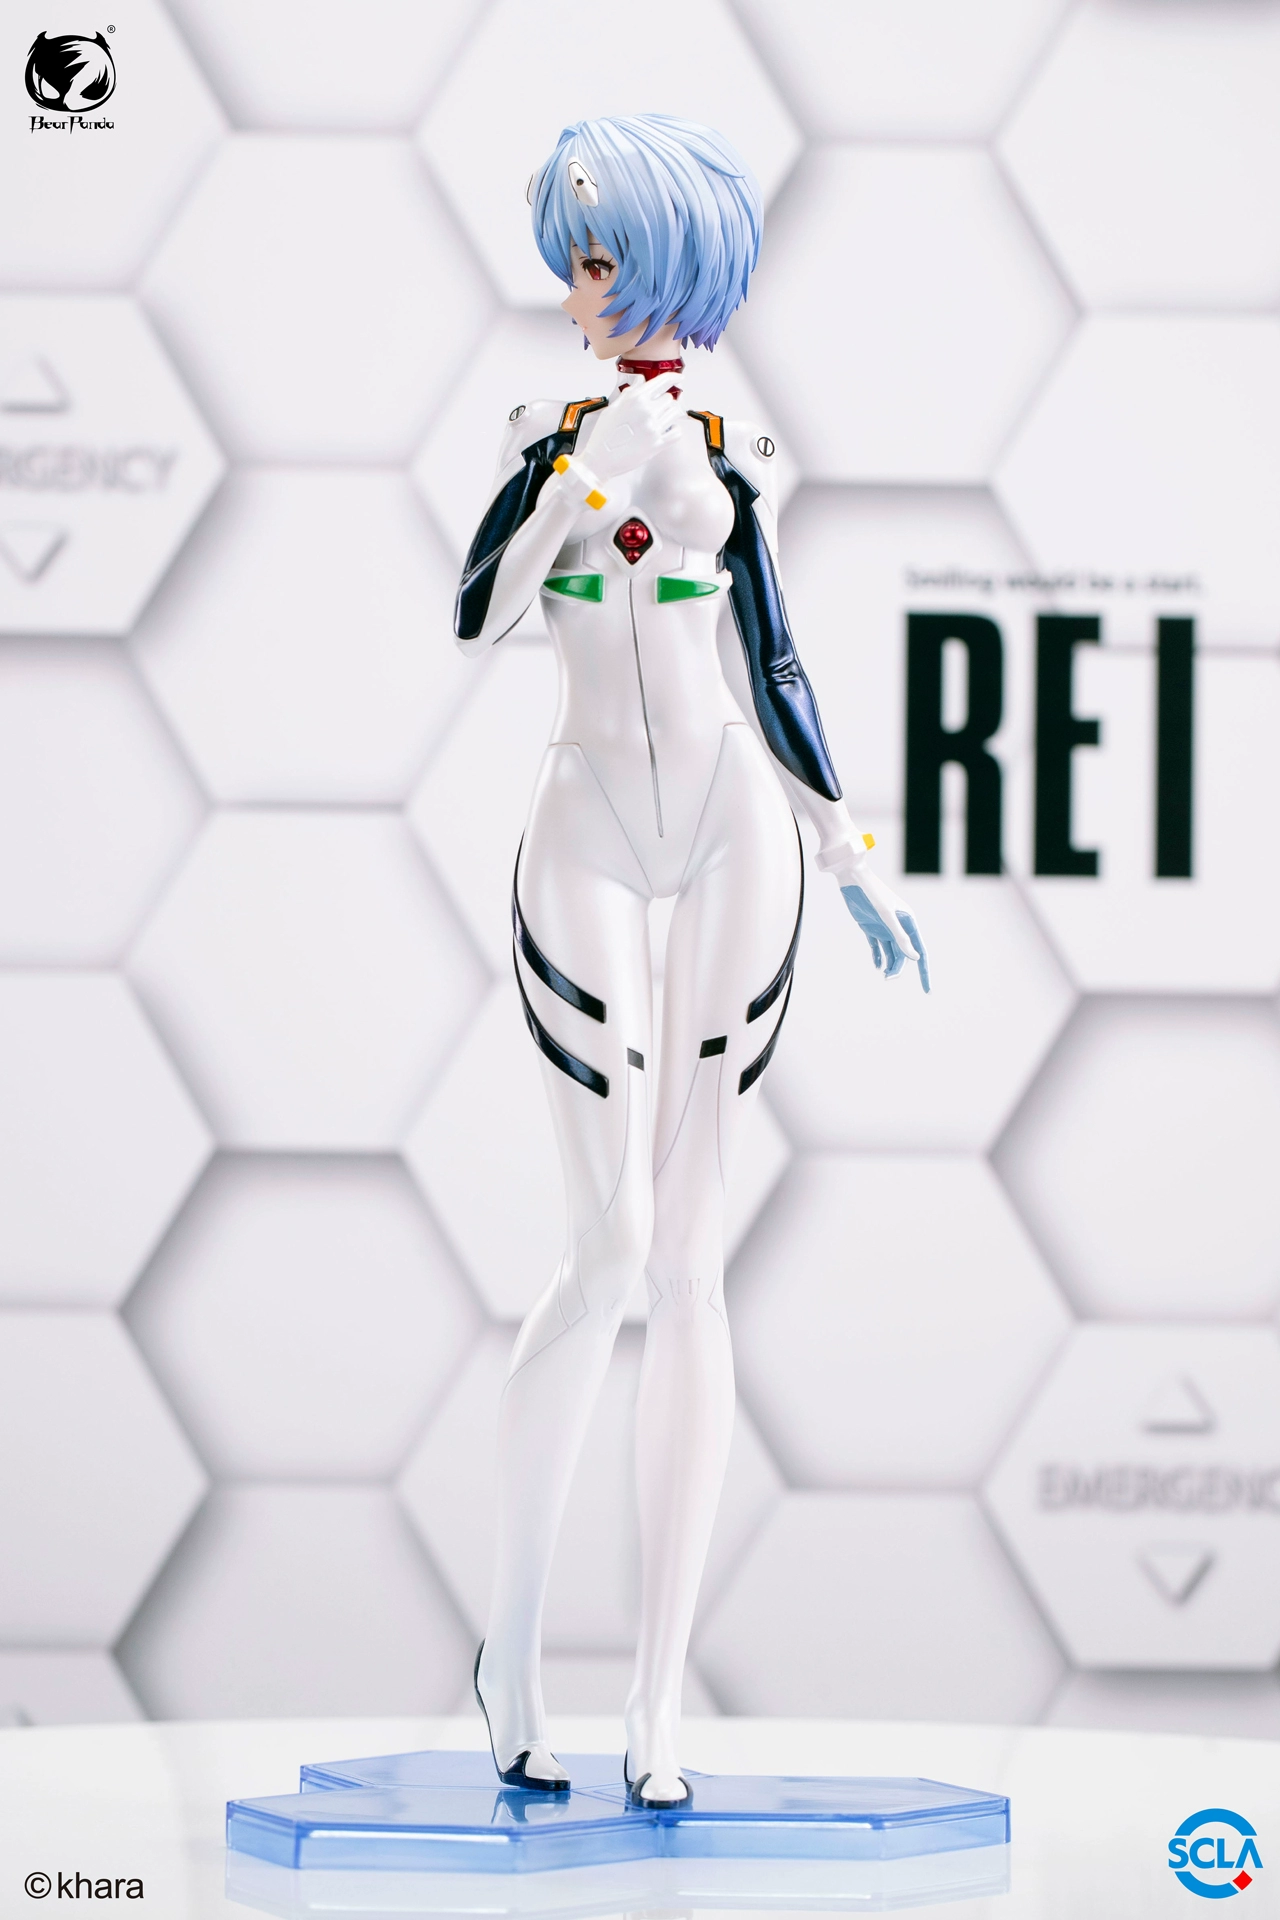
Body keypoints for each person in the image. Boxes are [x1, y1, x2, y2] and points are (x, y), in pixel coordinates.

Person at [455, 114, 927, 1809]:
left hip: (735, 819)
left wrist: (847, 848)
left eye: (595, 260)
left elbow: (772, 654)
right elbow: (480, 613)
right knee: (607, 1253)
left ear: (665, 260)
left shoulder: (741, 440)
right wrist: (579, 482)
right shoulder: (542, 430)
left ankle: (658, 1706)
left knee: (693, 1265)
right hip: (582, 814)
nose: (576, 292)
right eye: (570, 262)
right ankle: (513, 1656)